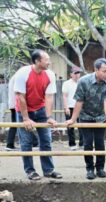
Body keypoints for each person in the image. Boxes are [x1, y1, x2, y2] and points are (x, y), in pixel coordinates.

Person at [14, 49, 62, 180]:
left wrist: (49, 117)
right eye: (46, 60)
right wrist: (25, 118)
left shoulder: (50, 75)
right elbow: (21, 97)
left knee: (46, 140)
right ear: (37, 61)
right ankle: (30, 171)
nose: (49, 62)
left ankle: (48, 170)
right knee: (26, 142)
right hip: (24, 110)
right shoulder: (23, 73)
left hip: (40, 110)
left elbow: (49, 97)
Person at [66, 58, 106, 180]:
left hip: (100, 116)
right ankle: (89, 169)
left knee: (100, 142)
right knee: (87, 143)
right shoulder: (84, 81)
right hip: (85, 116)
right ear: (96, 70)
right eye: (104, 71)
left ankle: (100, 168)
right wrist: (72, 119)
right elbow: (79, 101)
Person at [6, 74, 38, 151]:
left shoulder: (14, 78)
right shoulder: (19, 77)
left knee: (17, 124)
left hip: (13, 104)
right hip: (17, 105)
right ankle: (34, 142)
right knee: (22, 123)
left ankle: (34, 141)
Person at [62, 66, 83, 150]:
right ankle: (72, 144)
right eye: (75, 73)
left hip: (81, 108)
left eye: (78, 73)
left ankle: (82, 143)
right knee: (70, 127)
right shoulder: (66, 83)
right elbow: (65, 96)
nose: (77, 75)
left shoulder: (82, 82)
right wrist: (66, 107)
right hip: (70, 107)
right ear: (71, 74)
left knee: (82, 126)